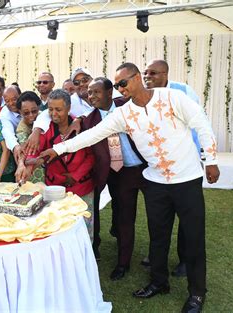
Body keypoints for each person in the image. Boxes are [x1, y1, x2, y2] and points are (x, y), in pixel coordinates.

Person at [40, 63, 220, 313]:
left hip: (187, 179)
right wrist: (58, 148)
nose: (119, 89)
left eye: (122, 83)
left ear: (137, 79)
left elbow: (201, 123)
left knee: (193, 236)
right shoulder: (123, 115)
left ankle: (197, 294)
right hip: (156, 181)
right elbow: (92, 135)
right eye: (116, 85)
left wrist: (210, 160)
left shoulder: (171, 97)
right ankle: (159, 282)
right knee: (158, 236)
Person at [141, 59, 203, 277]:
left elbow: (198, 122)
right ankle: (157, 258)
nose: (147, 77)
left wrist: (201, 156)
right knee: (159, 220)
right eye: (145, 73)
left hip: (185, 167)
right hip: (157, 170)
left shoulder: (182, 91)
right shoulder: (142, 97)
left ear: (165, 74)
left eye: (153, 73)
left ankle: (185, 260)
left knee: (187, 220)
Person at [84, 77, 147, 278]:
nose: (91, 96)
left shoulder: (127, 104)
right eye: (89, 92)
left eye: (96, 92)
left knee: (158, 215)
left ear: (110, 92)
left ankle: (156, 256)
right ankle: (123, 263)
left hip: (148, 167)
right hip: (119, 173)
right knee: (124, 217)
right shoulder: (89, 120)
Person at [24, 89, 95, 239]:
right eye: (50, 109)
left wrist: (75, 176)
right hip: (54, 188)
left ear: (68, 108)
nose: (54, 113)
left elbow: (91, 156)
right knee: (57, 227)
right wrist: (29, 164)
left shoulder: (81, 126)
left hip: (82, 186)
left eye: (58, 109)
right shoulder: (45, 129)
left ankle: (87, 256)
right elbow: (34, 153)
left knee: (84, 226)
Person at [14, 91, 44, 184]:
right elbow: (25, 150)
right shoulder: (21, 129)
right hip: (33, 171)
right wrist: (21, 163)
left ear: (39, 107)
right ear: (20, 112)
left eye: (34, 111)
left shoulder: (45, 117)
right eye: (26, 113)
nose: (31, 115)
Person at [0, 85, 24, 163]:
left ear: (21, 96)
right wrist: (15, 146)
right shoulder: (5, 113)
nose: (11, 103)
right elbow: (7, 131)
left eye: (14, 99)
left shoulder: (28, 103)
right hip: (19, 146)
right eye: (7, 101)